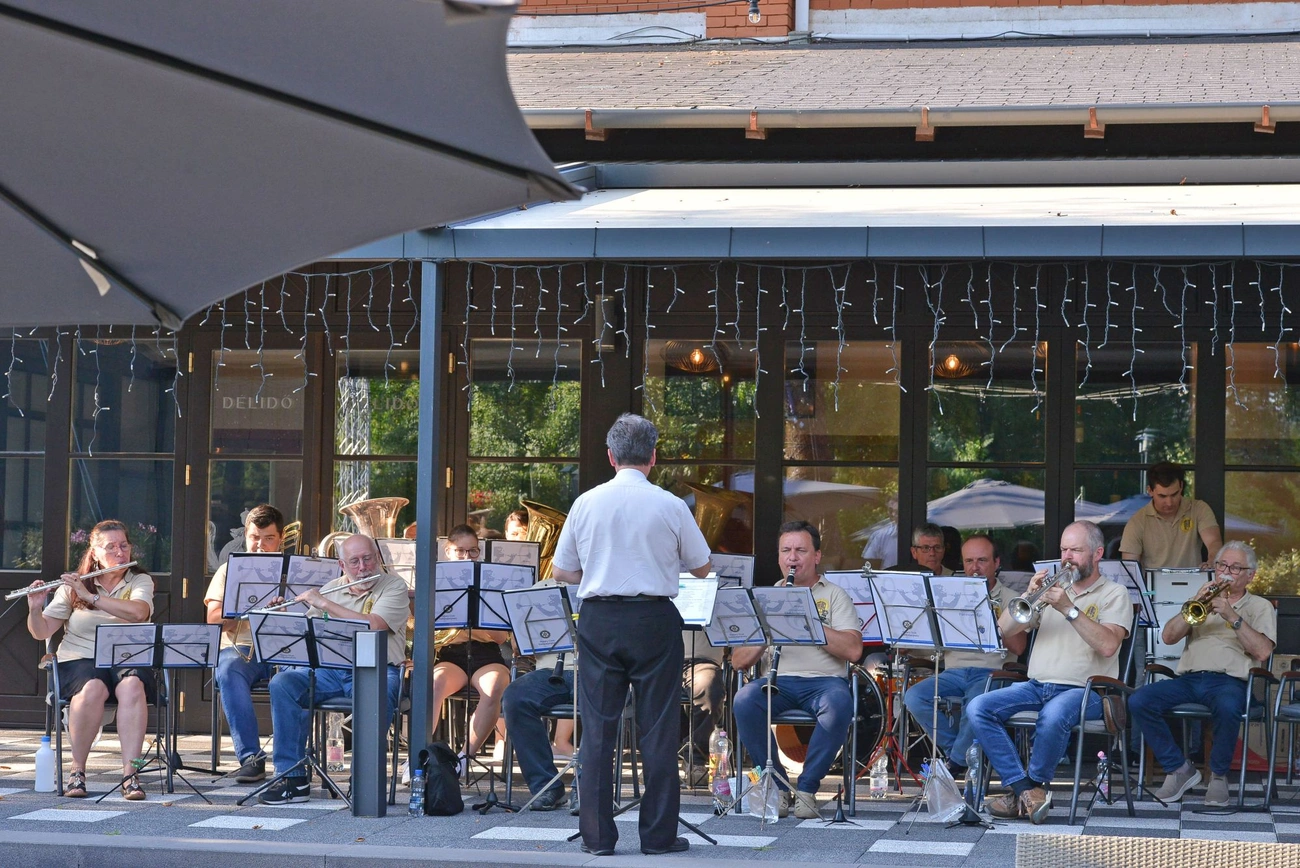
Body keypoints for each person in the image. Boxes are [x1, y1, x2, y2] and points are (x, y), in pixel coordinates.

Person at [550, 413, 711, 856]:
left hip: (599, 619)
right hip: (654, 619)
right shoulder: (670, 504)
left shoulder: (586, 502)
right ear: (653, 457)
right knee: (658, 729)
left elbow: (562, 571)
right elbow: (702, 567)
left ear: (610, 456)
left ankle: (597, 837)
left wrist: (601, 571)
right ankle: (657, 837)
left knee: (597, 731)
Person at [965, 520, 1131, 824]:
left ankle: (1028, 789)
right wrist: (1029, 596)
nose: (1067, 558)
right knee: (978, 707)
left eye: (1075, 550)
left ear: (1097, 553)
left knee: (1053, 716)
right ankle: (1026, 790)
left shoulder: (1114, 593)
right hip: (1037, 685)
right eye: (1064, 550)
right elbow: (1003, 630)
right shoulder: (1053, 590)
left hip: (1086, 691)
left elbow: (1108, 646)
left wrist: (1068, 609)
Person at [258, 534, 406, 805]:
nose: (363, 567)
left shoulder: (393, 585)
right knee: (283, 683)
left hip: (377, 668)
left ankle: (363, 780)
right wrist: (280, 617)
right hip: (332, 671)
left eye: (368, 559)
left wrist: (323, 603)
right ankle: (292, 779)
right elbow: (307, 636)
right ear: (342, 565)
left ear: (377, 558)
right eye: (354, 562)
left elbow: (375, 625)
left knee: (379, 691)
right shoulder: (331, 589)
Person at [731, 521, 863, 820]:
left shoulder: (835, 595)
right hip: (777, 681)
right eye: (786, 550)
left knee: (839, 703)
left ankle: (807, 788)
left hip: (825, 682)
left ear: (816, 556)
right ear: (778, 557)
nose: (792, 557)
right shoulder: (764, 597)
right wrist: (767, 630)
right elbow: (739, 661)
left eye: (801, 550)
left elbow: (854, 651)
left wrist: (809, 622)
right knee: (744, 700)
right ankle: (777, 785)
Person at [1129, 541, 1276, 808]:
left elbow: (1263, 651)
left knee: (1228, 706)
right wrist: (1194, 603)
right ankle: (1178, 768)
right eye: (1221, 565)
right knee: (1140, 700)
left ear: (1250, 575)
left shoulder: (1260, 606)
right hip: (1190, 679)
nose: (1226, 573)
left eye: (1235, 567)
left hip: (1230, 681)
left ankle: (1218, 776)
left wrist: (1232, 616)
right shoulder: (1201, 602)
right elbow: (1168, 637)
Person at [24, 520, 156, 800]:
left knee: (132, 686)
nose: (120, 552)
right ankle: (77, 771)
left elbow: (139, 613)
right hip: (79, 658)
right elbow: (41, 632)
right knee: (92, 688)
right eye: (111, 547)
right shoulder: (74, 585)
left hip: (127, 655)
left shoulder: (139, 580)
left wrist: (91, 597)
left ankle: (131, 774)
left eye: (124, 545)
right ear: (94, 553)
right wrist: (35, 609)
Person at [902, 536, 1027, 769]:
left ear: (996, 563)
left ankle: (955, 764)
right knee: (914, 697)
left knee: (974, 703)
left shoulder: (1012, 598)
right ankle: (962, 755)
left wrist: (992, 615)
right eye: (969, 561)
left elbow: (1019, 647)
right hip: (953, 671)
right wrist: (907, 642)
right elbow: (936, 645)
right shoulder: (949, 595)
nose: (975, 567)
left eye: (982, 560)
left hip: (993, 672)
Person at [202, 503, 285, 783]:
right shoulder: (228, 570)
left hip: (286, 646)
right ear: (246, 536)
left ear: (281, 538)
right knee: (227, 669)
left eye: (268, 538)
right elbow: (213, 620)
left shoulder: (296, 571)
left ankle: (292, 760)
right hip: (243, 647)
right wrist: (244, 609)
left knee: (303, 675)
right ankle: (251, 757)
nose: (260, 545)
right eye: (254, 538)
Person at [431, 524, 512, 774]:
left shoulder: (490, 582)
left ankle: (465, 758)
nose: (467, 556)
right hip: (450, 653)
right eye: (460, 551)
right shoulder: (436, 580)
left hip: (487, 654)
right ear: (448, 551)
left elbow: (500, 638)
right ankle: (418, 756)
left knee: (494, 687)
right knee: (433, 684)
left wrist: (480, 608)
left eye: (473, 551)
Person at [1120, 461, 1222, 569]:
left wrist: (1212, 561)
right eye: (1162, 496)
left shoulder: (1198, 509)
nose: (1169, 503)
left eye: (1174, 494)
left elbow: (1214, 542)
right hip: (1152, 580)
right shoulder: (1137, 521)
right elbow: (1130, 566)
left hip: (1194, 579)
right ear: (1150, 491)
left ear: (1181, 486)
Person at [860, 494, 899, 569]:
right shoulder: (879, 536)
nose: (893, 514)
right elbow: (868, 565)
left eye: (897, 511)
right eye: (890, 510)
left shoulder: (919, 536)